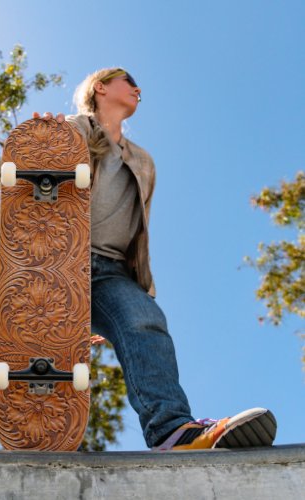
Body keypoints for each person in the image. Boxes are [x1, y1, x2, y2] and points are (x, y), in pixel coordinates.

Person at [33, 67, 277, 450]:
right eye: (128, 82)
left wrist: (127, 290)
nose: (137, 89)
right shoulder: (72, 129)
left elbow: (136, 229)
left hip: (111, 271)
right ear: (100, 87)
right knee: (53, 362)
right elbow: (36, 173)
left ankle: (172, 432)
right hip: (62, 261)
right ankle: (50, 441)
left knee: (145, 320)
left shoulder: (143, 161)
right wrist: (42, 138)